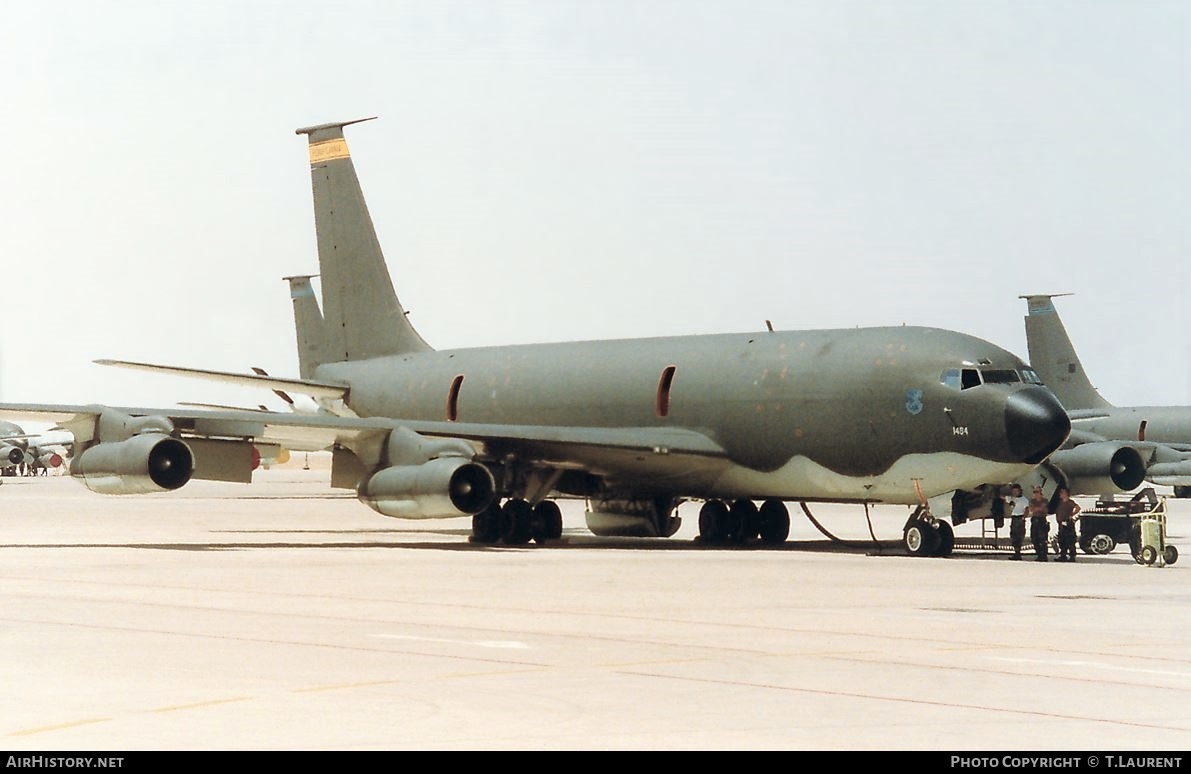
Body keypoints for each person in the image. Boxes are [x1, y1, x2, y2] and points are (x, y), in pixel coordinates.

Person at [1055, 487, 1081, 562]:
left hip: (1068, 523)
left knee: (1070, 539)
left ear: (1066, 493)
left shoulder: (1070, 502)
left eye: (1062, 492)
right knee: (1061, 539)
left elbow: (1078, 508)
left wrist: (1072, 514)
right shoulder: (1060, 502)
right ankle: (1063, 555)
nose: (1060, 494)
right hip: (1061, 523)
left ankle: (1072, 556)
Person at [1004, 484, 1029, 560]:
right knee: (1013, 535)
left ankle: (1018, 553)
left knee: (1019, 535)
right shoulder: (1012, 498)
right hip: (1014, 518)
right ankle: (1016, 553)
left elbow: (1027, 510)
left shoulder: (1024, 500)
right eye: (1013, 491)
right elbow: (1004, 498)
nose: (1014, 493)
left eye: (1016, 491)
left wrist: (1023, 518)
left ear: (1019, 491)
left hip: (1020, 517)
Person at [1028, 485, 1050, 562]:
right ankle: (1039, 555)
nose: (1035, 494)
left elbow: (1043, 508)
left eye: (1037, 492)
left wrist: (1037, 509)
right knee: (1034, 538)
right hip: (1034, 519)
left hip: (1042, 520)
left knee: (1043, 539)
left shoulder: (1044, 500)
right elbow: (1031, 509)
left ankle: (1044, 555)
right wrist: (1037, 509)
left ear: (1041, 492)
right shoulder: (1032, 501)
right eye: (1034, 492)